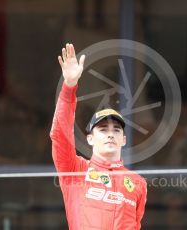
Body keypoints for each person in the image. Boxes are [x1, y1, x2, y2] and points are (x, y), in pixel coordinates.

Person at [50, 43, 147, 229]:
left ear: (124, 140)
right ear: (90, 138)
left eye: (116, 130)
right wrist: (69, 86)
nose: (110, 134)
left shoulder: (138, 183)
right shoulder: (75, 170)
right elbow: (60, 135)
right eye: (103, 129)